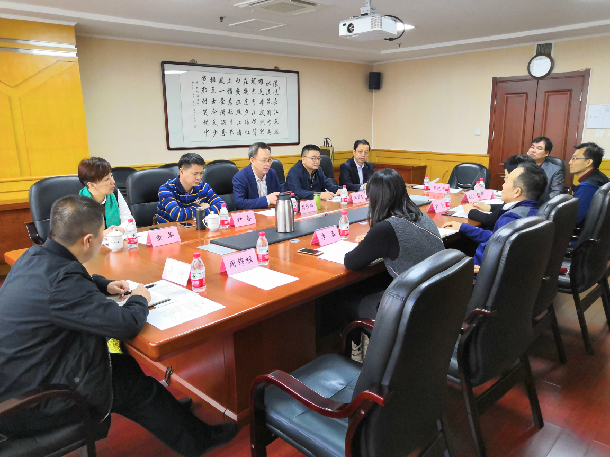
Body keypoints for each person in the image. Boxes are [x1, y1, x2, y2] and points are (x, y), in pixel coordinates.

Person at [0, 195, 237, 457]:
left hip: (21, 379)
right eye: (102, 233)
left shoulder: (36, 255)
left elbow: (73, 281)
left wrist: (104, 284)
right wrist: (140, 298)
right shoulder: (62, 282)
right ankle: (199, 440)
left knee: (124, 366)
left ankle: (170, 414)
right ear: (88, 240)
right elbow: (127, 324)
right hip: (32, 402)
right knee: (134, 386)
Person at [341, 168, 445, 321]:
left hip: (411, 311)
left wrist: (371, 241)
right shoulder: (423, 216)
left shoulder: (386, 229)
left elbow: (351, 262)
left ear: (376, 198)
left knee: (341, 300)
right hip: (436, 300)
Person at [443, 162, 547, 273]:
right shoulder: (534, 211)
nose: (503, 185)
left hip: (480, 273)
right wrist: (463, 227)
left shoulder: (511, 218)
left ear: (517, 192)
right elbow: (495, 238)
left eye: (506, 181)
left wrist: (484, 271)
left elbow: (497, 249)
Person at [465, 155, 535, 228]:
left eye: (507, 177)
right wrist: (488, 207)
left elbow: (489, 220)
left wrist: (470, 211)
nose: (504, 182)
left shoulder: (514, 214)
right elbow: (504, 207)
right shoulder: (528, 199)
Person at [157, 153, 224, 223]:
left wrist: (193, 212)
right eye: (195, 174)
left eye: (201, 173)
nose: (199, 177)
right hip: (171, 228)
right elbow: (178, 214)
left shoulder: (203, 186)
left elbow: (222, 206)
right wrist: (200, 208)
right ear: (182, 171)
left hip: (195, 227)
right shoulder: (166, 189)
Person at [78, 157, 134, 237]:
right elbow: (82, 236)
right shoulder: (80, 203)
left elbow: (129, 221)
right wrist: (101, 235)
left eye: (111, 176)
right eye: (107, 179)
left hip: (117, 241)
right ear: (92, 185)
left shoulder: (115, 194)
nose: (113, 181)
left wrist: (119, 229)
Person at [232, 142, 283, 210]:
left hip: (270, 213)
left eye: (269, 160)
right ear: (252, 160)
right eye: (263, 160)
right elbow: (240, 203)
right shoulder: (240, 177)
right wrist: (267, 199)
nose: (267, 164)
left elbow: (281, 193)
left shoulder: (271, 173)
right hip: (250, 215)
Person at [569, 142, 609, 227]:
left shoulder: (588, 187)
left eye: (574, 158)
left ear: (588, 162)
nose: (570, 162)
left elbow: (573, 219)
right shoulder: (600, 177)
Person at [526, 136, 564, 201]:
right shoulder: (520, 165)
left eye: (539, 148)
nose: (533, 151)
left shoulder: (555, 170)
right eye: (532, 147)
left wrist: (544, 204)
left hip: (541, 204)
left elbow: (556, 193)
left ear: (547, 153)